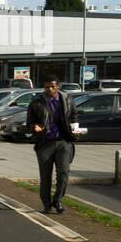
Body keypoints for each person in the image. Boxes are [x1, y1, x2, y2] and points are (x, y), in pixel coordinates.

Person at [25, 77, 80, 214]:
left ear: (58, 87)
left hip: (64, 142)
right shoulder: (37, 103)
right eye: (47, 87)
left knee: (63, 173)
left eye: (52, 87)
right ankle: (47, 204)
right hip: (45, 143)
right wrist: (34, 126)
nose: (49, 89)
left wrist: (75, 130)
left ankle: (58, 200)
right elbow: (29, 123)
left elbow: (74, 116)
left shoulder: (67, 99)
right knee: (45, 176)